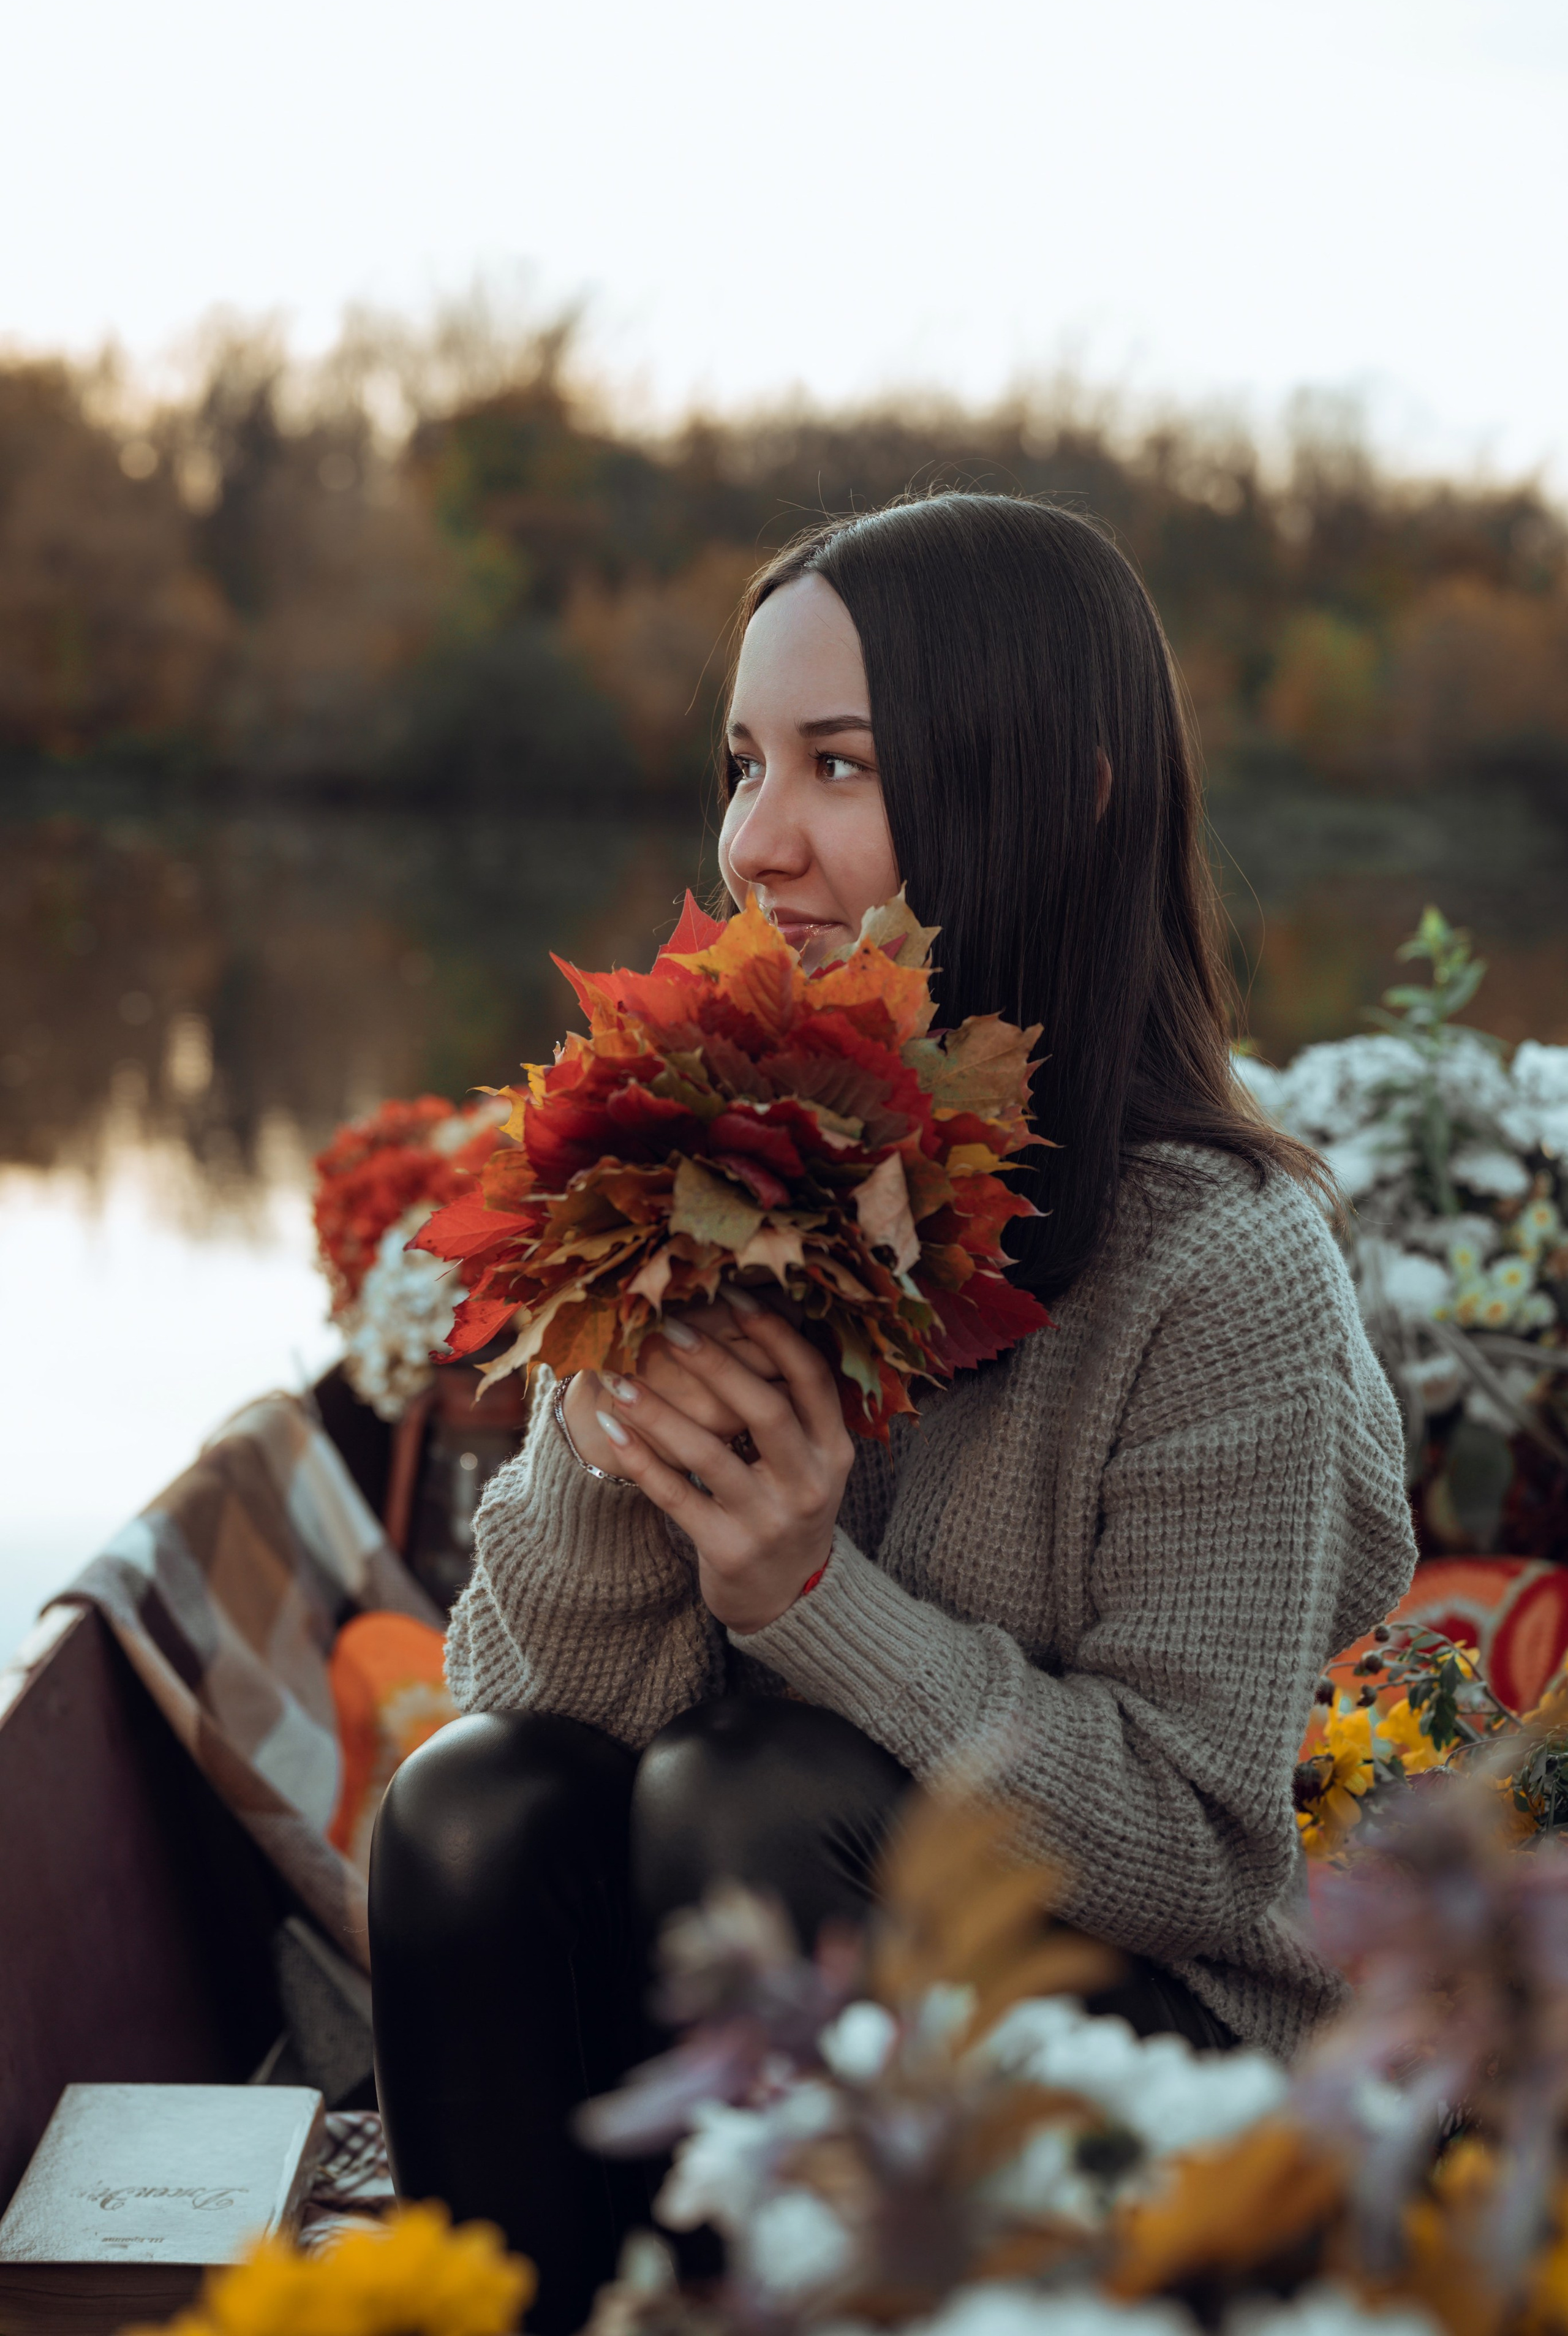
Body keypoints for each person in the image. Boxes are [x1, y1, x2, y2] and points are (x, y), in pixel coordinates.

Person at [369, 493, 1417, 2330]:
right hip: (735, 2006)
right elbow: (536, 1714)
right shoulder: (728, 1156)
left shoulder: (1222, 1261)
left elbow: (1195, 1844)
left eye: (838, 767)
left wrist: (806, 1603)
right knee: (470, 1809)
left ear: (1066, 792)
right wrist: (630, 1416)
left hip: (1134, 2059)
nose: (757, 843)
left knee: (760, 1796)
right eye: (742, 763)